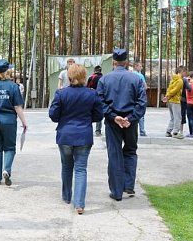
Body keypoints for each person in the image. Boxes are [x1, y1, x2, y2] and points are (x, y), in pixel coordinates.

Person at [50, 64, 103, 215]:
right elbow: (99, 115)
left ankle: (67, 196)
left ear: (69, 77)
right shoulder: (92, 94)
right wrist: (86, 119)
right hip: (84, 135)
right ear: (84, 77)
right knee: (81, 169)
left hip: (65, 135)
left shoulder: (61, 94)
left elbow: (53, 115)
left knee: (66, 166)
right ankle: (79, 204)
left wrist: (64, 118)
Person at [97, 49, 147, 201]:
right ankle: (129, 185)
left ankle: (117, 192)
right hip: (130, 123)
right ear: (126, 62)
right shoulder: (136, 79)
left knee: (114, 154)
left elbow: (100, 102)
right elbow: (142, 102)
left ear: (114, 62)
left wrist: (114, 116)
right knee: (130, 151)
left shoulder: (104, 80)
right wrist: (130, 118)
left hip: (113, 123)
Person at [0, 59, 28, 186]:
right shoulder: (13, 86)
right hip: (9, 121)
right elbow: (17, 107)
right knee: (9, 147)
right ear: (7, 71)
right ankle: (6, 170)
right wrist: (24, 122)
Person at [163, 66, 187, 140]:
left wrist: (167, 96)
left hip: (170, 101)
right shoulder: (180, 80)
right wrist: (168, 96)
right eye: (185, 72)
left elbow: (169, 88)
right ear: (182, 71)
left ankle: (168, 131)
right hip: (175, 101)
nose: (185, 73)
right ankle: (175, 133)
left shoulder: (173, 79)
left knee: (173, 117)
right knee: (178, 117)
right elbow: (175, 90)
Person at [131, 61, 148, 137]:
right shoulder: (140, 75)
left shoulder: (130, 74)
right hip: (140, 97)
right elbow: (145, 87)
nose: (141, 68)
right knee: (141, 114)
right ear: (136, 66)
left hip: (131, 96)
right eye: (140, 66)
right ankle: (142, 131)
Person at [86, 65, 104, 136]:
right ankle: (98, 131)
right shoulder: (103, 78)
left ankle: (87, 129)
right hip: (100, 98)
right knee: (99, 113)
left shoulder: (91, 77)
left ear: (94, 71)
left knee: (88, 113)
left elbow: (87, 88)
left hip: (91, 97)